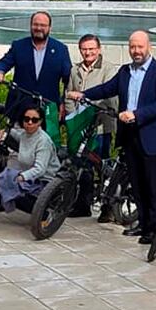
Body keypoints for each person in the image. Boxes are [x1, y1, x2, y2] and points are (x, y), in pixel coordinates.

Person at [74, 30, 156, 244]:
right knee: (137, 185)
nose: (136, 51)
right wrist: (85, 94)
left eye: (140, 47)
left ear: (149, 47)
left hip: (154, 139)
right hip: (130, 137)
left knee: (154, 186)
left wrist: (136, 115)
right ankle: (144, 223)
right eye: (132, 47)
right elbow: (107, 88)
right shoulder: (125, 71)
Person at [66, 34, 117, 220]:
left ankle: (108, 208)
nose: (88, 52)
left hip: (101, 127)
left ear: (99, 49)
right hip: (81, 127)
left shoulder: (109, 69)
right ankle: (83, 205)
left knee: (102, 166)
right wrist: (74, 117)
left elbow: (109, 95)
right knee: (81, 165)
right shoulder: (74, 70)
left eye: (91, 49)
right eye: (84, 49)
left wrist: (90, 107)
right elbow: (69, 95)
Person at [0, 11, 71, 117]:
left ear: (50, 28)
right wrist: (0, 71)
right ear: (31, 25)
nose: (38, 28)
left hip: (47, 108)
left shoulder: (61, 49)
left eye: (43, 25)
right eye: (35, 24)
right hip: (19, 106)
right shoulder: (19, 46)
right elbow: (4, 62)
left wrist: (62, 102)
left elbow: (68, 79)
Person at [0, 102, 59, 212]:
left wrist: (22, 177)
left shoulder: (43, 141)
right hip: (30, 177)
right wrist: (4, 131)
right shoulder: (24, 134)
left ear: (40, 122)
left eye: (34, 120)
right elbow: (16, 134)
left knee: (16, 195)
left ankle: (43, 214)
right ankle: (6, 201)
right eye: (26, 119)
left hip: (44, 181)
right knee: (3, 180)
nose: (29, 123)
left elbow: (40, 169)